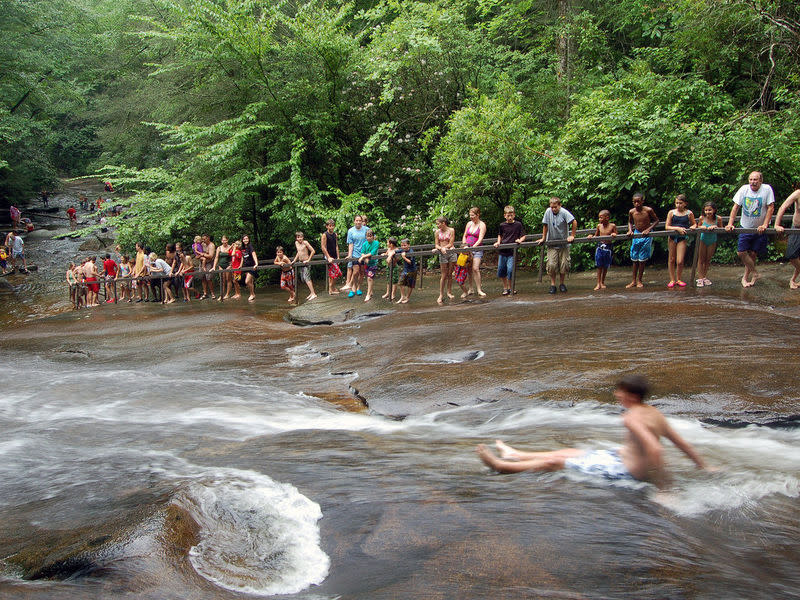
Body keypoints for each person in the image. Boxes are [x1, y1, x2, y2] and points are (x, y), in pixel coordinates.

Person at [476, 375, 710, 490]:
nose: (617, 395)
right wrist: (702, 466)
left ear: (632, 396)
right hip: (619, 457)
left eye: (621, 392)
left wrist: (663, 486)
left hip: (624, 472)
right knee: (570, 451)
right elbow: (682, 444)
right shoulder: (654, 413)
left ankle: (502, 467)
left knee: (555, 462)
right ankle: (516, 454)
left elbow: (655, 448)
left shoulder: (631, 417)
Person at [725, 171, 775, 287]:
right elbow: (735, 207)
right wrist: (730, 223)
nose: (753, 182)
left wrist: (765, 225)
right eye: (751, 179)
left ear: (760, 181)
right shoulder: (744, 189)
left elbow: (770, 207)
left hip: (759, 228)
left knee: (753, 253)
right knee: (741, 252)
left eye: (755, 180)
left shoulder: (766, 189)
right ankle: (755, 273)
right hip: (745, 226)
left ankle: (745, 278)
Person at [537, 197, 577, 294]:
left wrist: (572, 235)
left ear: (559, 205)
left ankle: (562, 283)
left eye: (555, 207)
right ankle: (553, 284)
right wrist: (543, 238)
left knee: (564, 264)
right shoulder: (548, 212)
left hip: (563, 243)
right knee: (551, 265)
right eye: (552, 207)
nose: (553, 209)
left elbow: (574, 222)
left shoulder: (564, 212)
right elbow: (545, 225)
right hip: (551, 242)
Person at [626, 192, 659, 289]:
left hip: (646, 235)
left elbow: (656, 220)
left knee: (642, 259)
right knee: (634, 258)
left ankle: (640, 280)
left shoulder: (648, 210)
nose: (637, 204)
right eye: (635, 202)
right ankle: (633, 281)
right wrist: (630, 230)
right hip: (636, 233)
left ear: (642, 201)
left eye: (638, 202)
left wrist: (649, 229)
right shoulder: (632, 212)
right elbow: (630, 221)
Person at [493, 205, 526, 296]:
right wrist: (498, 242)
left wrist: (520, 240)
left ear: (514, 215)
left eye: (511, 215)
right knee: (501, 269)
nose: (510, 217)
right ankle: (505, 287)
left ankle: (511, 288)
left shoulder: (518, 225)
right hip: (503, 251)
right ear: (505, 215)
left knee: (510, 270)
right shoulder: (502, 225)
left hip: (512, 251)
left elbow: (523, 235)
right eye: (508, 215)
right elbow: (500, 235)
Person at [664, 194, 696, 288]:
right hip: (672, 237)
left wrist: (692, 227)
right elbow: (667, 227)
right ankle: (672, 279)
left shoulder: (689, 213)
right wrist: (677, 228)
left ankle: (678, 279)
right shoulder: (671, 213)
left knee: (680, 260)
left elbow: (694, 224)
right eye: (677, 203)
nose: (678, 205)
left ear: (685, 204)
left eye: (680, 203)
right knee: (671, 259)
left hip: (682, 238)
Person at [773, 184, 800, 289]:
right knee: (792, 255)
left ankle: (793, 280)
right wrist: (776, 224)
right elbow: (783, 207)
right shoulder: (798, 193)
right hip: (797, 228)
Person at [692, 201, 723, 287]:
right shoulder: (702, 218)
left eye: (710, 210)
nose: (708, 212)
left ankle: (704, 277)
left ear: (714, 210)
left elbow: (721, 228)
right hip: (703, 239)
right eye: (706, 210)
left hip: (712, 240)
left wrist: (715, 227)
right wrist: (702, 227)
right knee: (701, 259)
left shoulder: (718, 218)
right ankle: (700, 278)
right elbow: (698, 226)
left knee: (707, 259)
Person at [588, 209, 617, 290]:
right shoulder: (599, 226)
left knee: (605, 266)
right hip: (600, 247)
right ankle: (598, 283)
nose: (599, 219)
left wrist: (614, 234)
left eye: (601, 218)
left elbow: (616, 234)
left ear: (607, 218)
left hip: (608, 247)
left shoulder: (612, 226)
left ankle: (603, 282)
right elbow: (596, 236)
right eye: (599, 218)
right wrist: (591, 236)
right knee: (599, 265)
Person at [461, 207, 487, 297]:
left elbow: (480, 238)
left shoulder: (482, 225)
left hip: (477, 249)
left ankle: (479, 289)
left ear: (477, 215)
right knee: (468, 269)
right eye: (470, 215)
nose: (471, 217)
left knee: (475, 268)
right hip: (467, 250)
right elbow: (465, 235)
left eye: (472, 215)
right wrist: (464, 245)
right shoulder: (469, 224)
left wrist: (473, 247)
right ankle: (471, 288)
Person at [434, 216, 457, 304]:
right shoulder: (437, 232)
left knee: (450, 273)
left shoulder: (451, 230)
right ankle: (441, 294)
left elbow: (451, 243)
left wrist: (445, 247)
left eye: (438, 224)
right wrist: (441, 248)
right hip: (442, 253)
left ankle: (449, 292)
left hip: (451, 252)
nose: (437, 225)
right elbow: (436, 244)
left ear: (443, 223)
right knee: (443, 275)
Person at [344, 215, 368, 296]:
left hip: (363, 254)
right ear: (354, 221)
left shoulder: (366, 229)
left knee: (362, 272)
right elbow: (350, 244)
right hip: (355, 254)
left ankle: (359, 288)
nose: (358, 222)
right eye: (356, 220)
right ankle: (353, 287)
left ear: (362, 221)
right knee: (355, 271)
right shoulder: (351, 231)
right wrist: (349, 255)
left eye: (359, 220)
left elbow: (370, 241)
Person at [292, 231, 317, 301]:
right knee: (303, 279)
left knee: (307, 278)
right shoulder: (296, 243)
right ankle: (311, 293)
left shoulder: (305, 242)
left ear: (303, 237)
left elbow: (313, 251)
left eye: (301, 237)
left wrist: (308, 260)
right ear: (296, 238)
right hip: (300, 262)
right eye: (298, 237)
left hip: (306, 262)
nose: (300, 238)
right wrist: (294, 260)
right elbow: (299, 252)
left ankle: (313, 293)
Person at [358, 229, 380, 302]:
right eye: (367, 236)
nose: (369, 238)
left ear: (373, 237)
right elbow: (362, 252)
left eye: (370, 236)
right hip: (367, 264)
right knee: (368, 278)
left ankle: (368, 294)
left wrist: (363, 257)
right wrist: (364, 257)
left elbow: (372, 253)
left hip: (373, 263)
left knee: (370, 278)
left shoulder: (376, 243)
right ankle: (371, 291)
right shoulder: (365, 244)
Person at [320, 219, 341, 295]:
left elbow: (336, 246)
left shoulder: (335, 234)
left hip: (334, 255)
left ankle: (331, 289)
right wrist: (328, 257)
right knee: (336, 272)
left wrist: (338, 257)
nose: (331, 227)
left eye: (332, 226)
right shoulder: (325, 235)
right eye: (330, 226)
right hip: (328, 256)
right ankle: (331, 288)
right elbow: (323, 247)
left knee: (332, 274)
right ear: (327, 226)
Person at [212, 235, 233, 300]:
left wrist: (230, 265)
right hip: (221, 265)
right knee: (222, 280)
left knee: (228, 279)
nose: (224, 241)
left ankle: (227, 294)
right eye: (223, 240)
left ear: (227, 240)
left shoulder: (230, 247)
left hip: (228, 265)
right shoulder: (219, 248)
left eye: (225, 240)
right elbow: (216, 257)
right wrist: (214, 266)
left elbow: (233, 256)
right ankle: (222, 294)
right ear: (221, 241)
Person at [396, 238, 417, 304]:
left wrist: (404, 257)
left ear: (408, 245)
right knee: (400, 282)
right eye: (402, 245)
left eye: (404, 245)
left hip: (412, 270)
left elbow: (410, 262)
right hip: (405, 270)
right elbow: (395, 251)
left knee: (410, 285)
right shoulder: (402, 250)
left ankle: (407, 297)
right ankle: (402, 296)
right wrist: (387, 253)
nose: (403, 247)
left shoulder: (411, 252)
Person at [240, 234, 258, 302]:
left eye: (247, 238)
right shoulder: (242, 247)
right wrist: (240, 265)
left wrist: (256, 263)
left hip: (251, 266)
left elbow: (254, 254)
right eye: (244, 239)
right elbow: (242, 257)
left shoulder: (250, 246)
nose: (245, 240)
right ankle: (252, 294)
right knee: (250, 282)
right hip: (245, 266)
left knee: (247, 281)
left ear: (249, 239)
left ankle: (252, 294)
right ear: (242, 240)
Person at [200, 234, 216, 299]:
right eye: (202, 239)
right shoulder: (202, 244)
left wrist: (203, 254)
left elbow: (211, 256)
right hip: (202, 262)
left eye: (205, 239)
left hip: (209, 263)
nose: (203, 240)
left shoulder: (211, 245)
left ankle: (212, 293)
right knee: (202, 278)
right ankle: (205, 293)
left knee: (209, 278)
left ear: (208, 238)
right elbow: (197, 252)